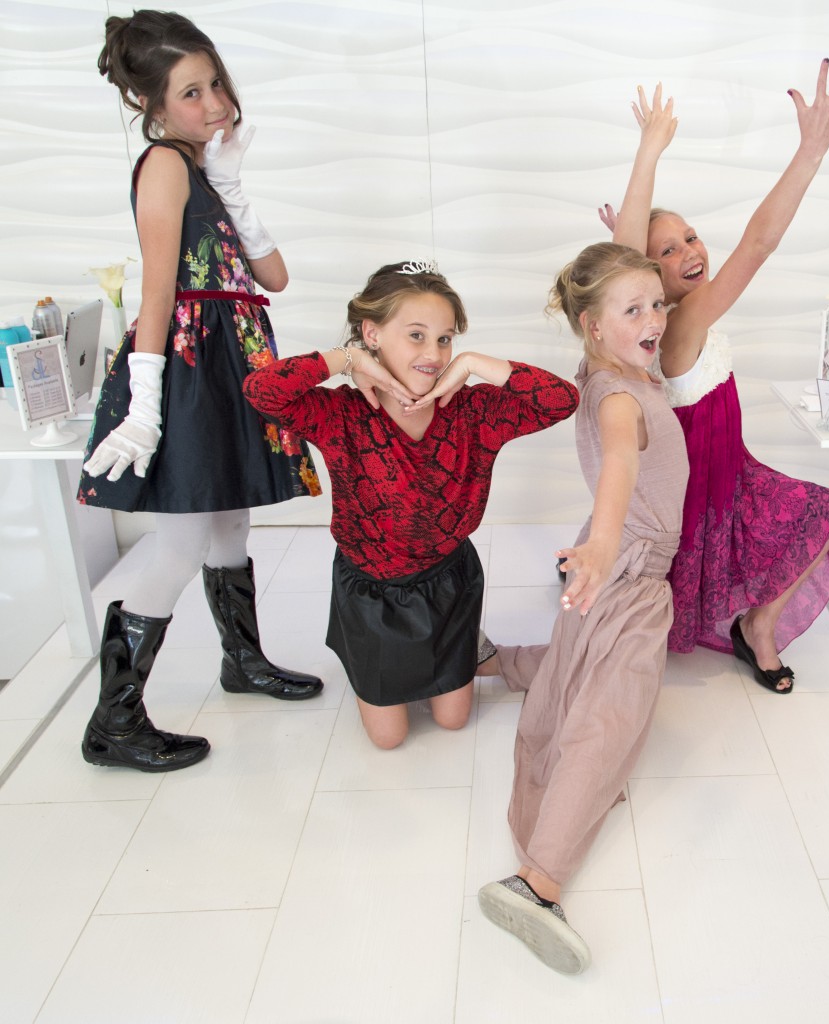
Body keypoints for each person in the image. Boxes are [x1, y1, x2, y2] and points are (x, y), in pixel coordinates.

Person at [77, 11, 325, 773]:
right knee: (184, 538)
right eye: (191, 92)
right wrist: (145, 406)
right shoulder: (162, 165)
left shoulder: (201, 169)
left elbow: (273, 279)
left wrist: (232, 185)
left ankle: (241, 662)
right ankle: (114, 720)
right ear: (151, 107)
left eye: (216, 81)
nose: (215, 102)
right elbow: (159, 293)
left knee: (229, 524)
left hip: (225, 364)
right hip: (185, 371)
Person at [242, 260, 579, 750]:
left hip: (449, 582)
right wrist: (347, 359)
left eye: (445, 339)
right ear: (372, 332)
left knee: (452, 721)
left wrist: (475, 364)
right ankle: (400, 668)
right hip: (372, 595)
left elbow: (561, 400)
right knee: (389, 740)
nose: (434, 353)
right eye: (416, 335)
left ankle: (465, 648)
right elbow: (261, 390)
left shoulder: (474, 410)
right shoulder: (342, 413)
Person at [600, 61, 829, 693]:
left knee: (824, 515)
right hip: (703, 497)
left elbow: (663, 255)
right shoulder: (677, 326)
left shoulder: (682, 315)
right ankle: (751, 629)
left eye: (691, 237)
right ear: (645, 274)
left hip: (734, 474)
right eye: (668, 251)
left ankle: (758, 625)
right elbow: (757, 245)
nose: (691, 252)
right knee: (827, 514)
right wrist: (811, 151)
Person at [476, 243, 689, 974]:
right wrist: (598, 547)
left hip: (608, 558)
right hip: (623, 568)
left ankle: (492, 659)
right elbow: (622, 462)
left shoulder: (608, 364)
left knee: (574, 663)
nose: (655, 317)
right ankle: (535, 884)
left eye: (655, 302)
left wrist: (647, 151)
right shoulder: (622, 395)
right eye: (634, 309)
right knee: (609, 715)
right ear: (591, 322)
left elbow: (619, 262)